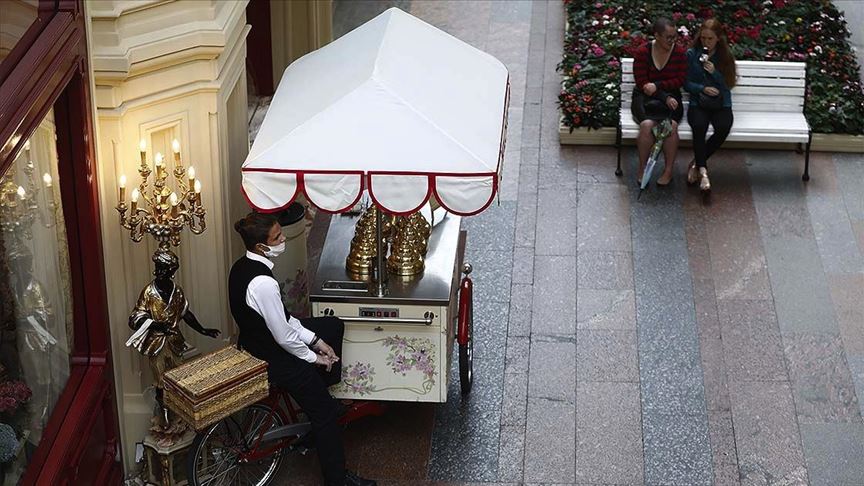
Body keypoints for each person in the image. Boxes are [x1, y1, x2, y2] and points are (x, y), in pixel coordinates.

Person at [229, 212, 376, 486]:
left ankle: (322, 396)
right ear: (261, 246)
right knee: (325, 415)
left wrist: (318, 341)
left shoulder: (241, 267)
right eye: (277, 238)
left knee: (332, 326)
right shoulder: (263, 284)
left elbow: (284, 319)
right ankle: (337, 478)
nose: (283, 239)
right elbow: (284, 336)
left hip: (253, 343)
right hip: (272, 357)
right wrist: (315, 357)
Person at [128, 249, 221, 429]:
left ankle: (179, 411)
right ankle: (164, 415)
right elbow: (135, 317)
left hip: (175, 342)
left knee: (179, 378)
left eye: (163, 268)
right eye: (158, 267)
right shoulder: (149, 292)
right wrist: (156, 325)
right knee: (160, 381)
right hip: (156, 345)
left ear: (172, 270)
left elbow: (185, 313)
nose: (159, 271)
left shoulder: (176, 291)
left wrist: (203, 330)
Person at [631, 17, 687, 186]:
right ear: (656, 35)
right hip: (645, 98)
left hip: (671, 97)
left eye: (674, 37)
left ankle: (668, 171)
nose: (672, 41)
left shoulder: (679, 53)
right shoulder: (643, 52)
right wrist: (663, 96)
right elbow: (642, 83)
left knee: (671, 126)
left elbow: (680, 80)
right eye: (668, 37)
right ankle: (643, 169)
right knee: (647, 125)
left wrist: (658, 86)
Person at [685, 19, 737, 193]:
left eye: (710, 39)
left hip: (720, 102)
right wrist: (702, 88)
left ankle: (696, 164)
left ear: (718, 39)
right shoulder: (692, 54)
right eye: (703, 38)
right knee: (699, 125)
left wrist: (715, 73)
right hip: (699, 101)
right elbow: (685, 82)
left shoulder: (725, 56)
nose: (706, 42)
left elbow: (728, 84)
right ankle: (703, 172)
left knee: (723, 127)